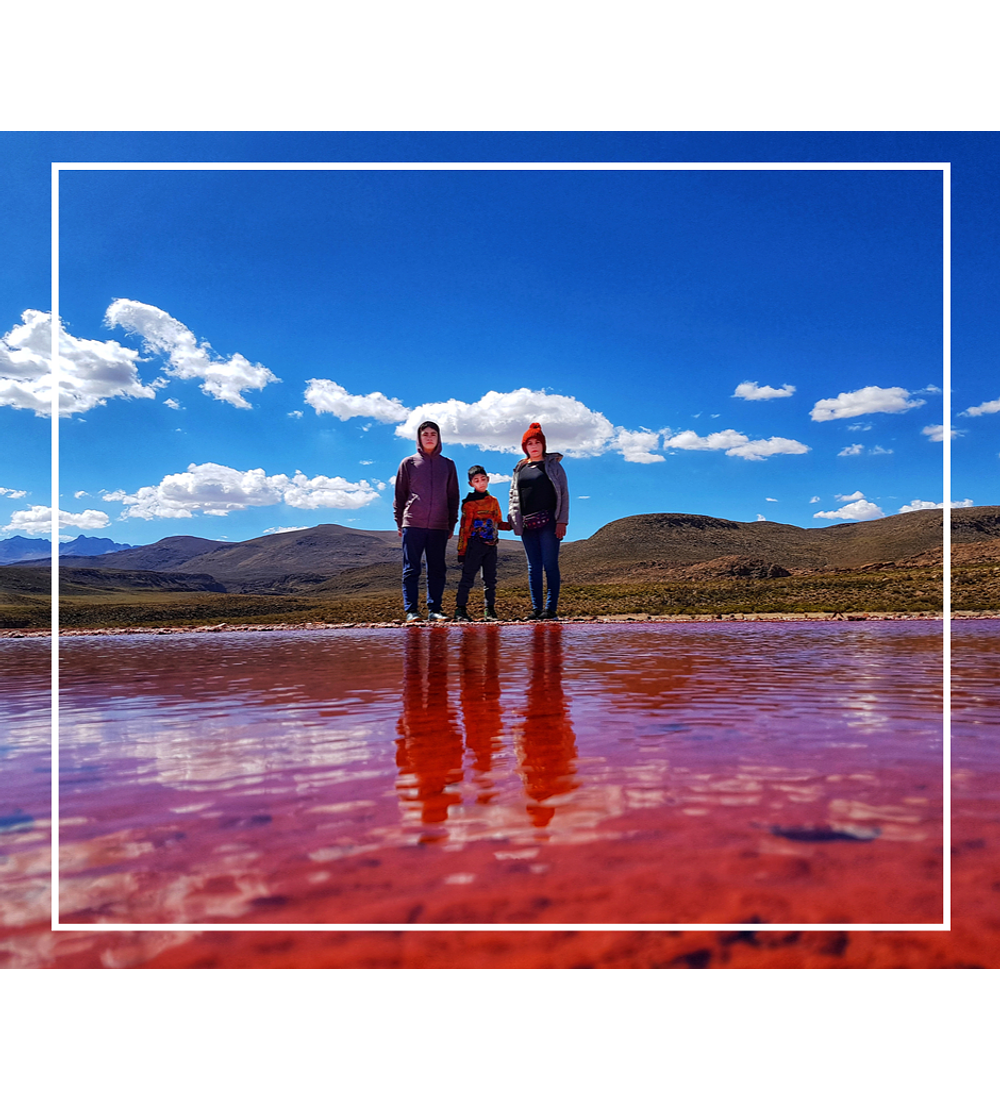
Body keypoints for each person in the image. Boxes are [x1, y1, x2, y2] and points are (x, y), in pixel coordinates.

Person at [394, 420, 459, 622]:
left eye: (433, 433)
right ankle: (411, 611)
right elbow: (400, 495)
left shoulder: (447, 465)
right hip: (413, 523)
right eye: (425, 434)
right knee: (412, 568)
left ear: (438, 438)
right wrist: (399, 523)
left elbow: (453, 497)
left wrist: (451, 524)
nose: (429, 437)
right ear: (419, 438)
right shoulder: (409, 463)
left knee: (437, 569)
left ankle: (435, 610)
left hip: (439, 526)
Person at [508, 422, 568, 620]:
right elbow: (513, 495)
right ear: (525, 447)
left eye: (537, 442)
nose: (533, 446)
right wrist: (513, 518)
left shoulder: (554, 466)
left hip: (549, 521)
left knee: (550, 564)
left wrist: (562, 522)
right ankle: (536, 609)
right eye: (529, 443)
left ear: (543, 445)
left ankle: (550, 609)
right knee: (533, 566)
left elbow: (564, 494)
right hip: (527, 523)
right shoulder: (519, 468)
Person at [454, 465, 511, 622]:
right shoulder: (469, 504)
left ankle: (490, 611)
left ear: (488, 480)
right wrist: (462, 550)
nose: (481, 483)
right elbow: (464, 528)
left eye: (483, 479)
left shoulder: (493, 501)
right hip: (474, 544)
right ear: (471, 483)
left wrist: (512, 525)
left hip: (491, 545)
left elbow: (498, 522)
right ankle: (460, 610)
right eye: (476, 480)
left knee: (490, 579)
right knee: (468, 577)